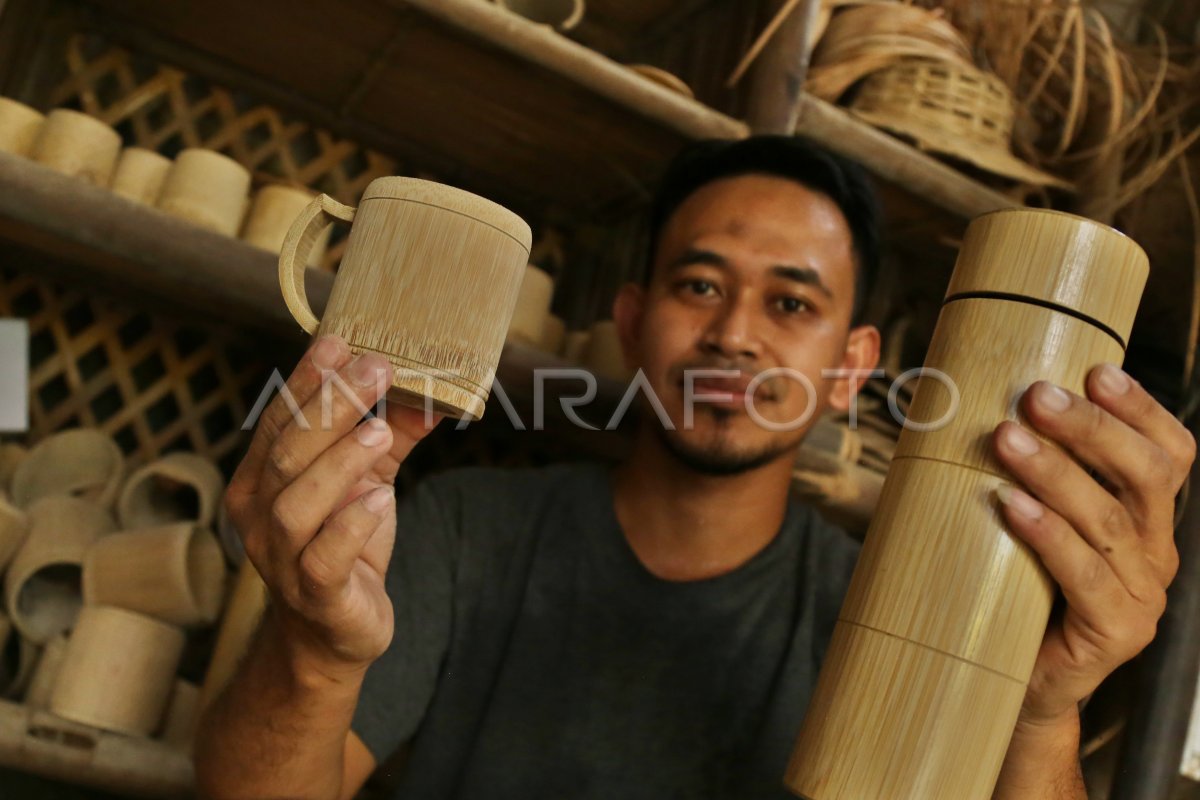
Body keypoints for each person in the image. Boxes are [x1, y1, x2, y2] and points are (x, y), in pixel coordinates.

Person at [194, 136, 1194, 800]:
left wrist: (1039, 707)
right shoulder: (465, 527)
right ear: (631, 324)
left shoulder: (886, 613)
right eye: (699, 284)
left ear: (853, 368)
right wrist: (316, 647)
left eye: (792, 304)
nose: (733, 336)